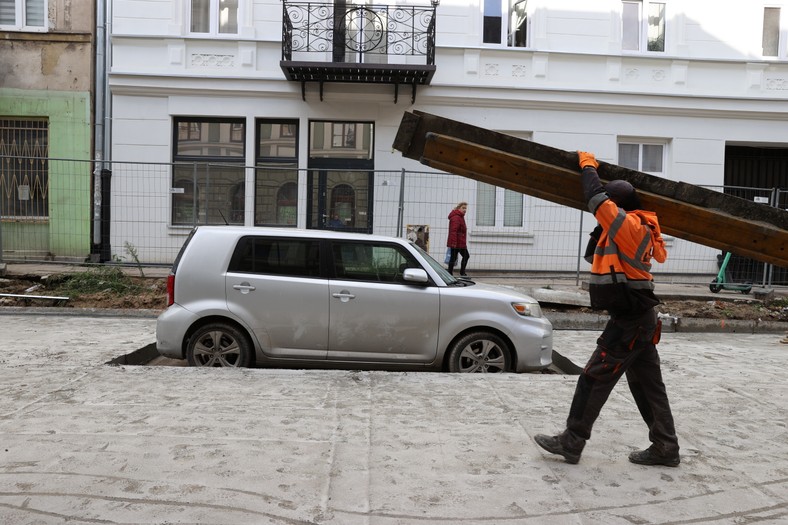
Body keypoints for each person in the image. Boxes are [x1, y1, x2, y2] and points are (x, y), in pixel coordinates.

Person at [534, 151, 680, 467]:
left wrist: (588, 167)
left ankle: (572, 441)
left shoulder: (629, 227)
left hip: (629, 322)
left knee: (593, 378)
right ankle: (666, 447)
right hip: (639, 320)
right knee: (648, 387)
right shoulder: (628, 228)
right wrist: (602, 225)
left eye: (609, 207)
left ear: (618, 206)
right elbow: (592, 256)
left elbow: (595, 197)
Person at [447, 202, 470, 276]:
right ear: (458, 208)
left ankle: (450, 273)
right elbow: (453, 231)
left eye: (465, 208)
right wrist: (453, 243)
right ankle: (461, 273)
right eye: (463, 208)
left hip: (459, 242)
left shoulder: (460, 216)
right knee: (465, 256)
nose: (465, 210)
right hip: (457, 243)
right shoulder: (456, 217)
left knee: (453, 258)